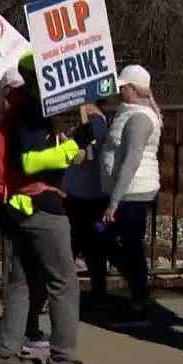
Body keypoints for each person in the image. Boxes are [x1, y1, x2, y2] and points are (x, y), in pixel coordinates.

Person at [0, 55, 102, 364]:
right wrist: (74, 144)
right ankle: (62, 357)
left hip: (23, 206)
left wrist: (68, 148)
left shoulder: (19, 110)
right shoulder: (30, 111)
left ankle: (5, 352)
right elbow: (31, 161)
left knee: (23, 281)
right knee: (64, 283)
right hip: (41, 207)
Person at [0, 67, 51, 358]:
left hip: (22, 203)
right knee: (25, 274)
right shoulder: (0, 129)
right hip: (13, 205)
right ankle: (17, 330)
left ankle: (21, 328)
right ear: (8, 94)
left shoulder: (20, 123)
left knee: (32, 271)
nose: (25, 96)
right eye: (19, 91)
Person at [100, 65, 162, 325]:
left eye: (123, 86)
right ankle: (138, 291)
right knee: (109, 239)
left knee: (118, 242)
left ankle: (139, 298)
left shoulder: (139, 119)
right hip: (126, 194)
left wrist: (114, 201)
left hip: (132, 195)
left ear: (134, 90)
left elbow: (131, 161)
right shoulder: (129, 113)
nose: (119, 90)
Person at [62, 102, 110, 309]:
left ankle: (97, 293)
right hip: (77, 194)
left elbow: (85, 156)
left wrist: (67, 146)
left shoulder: (97, 123)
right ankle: (75, 292)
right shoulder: (84, 123)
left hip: (88, 197)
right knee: (78, 245)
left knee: (90, 247)